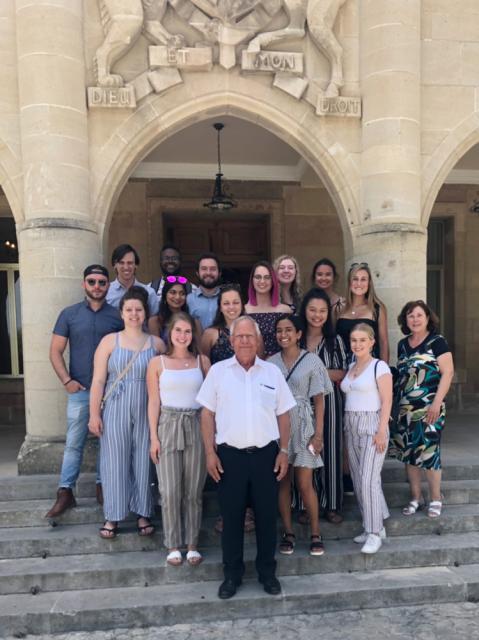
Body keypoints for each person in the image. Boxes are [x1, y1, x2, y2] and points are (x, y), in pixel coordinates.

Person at [197, 316, 296, 599]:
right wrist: (209, 453)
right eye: (239, 337)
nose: (244, 341)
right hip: (229, 457)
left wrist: (285, 451)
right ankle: (232, 576)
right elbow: (207, 414)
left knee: (267, 518)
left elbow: (284, 414)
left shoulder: (272, 373)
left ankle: (268, 573)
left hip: (266, 456)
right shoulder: (218, 372)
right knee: (231, 519)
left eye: (249, 337)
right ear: (231, 340)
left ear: (258, 340)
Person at [45, 265, 123, 519]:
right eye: (92, 281)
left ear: (108, 286)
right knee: (73, 444)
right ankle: (65, 491)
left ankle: (103, 486)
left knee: (107, 443)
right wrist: (66, 380)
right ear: (84, 284)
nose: (97, 286)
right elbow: (55, 351)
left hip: (110, 392)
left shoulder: (117, 316)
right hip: (80, 390)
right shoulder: (69, 314)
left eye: (102, 282)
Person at [88, 287, 165, 539]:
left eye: (138, 309)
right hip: (116, 404)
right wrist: (94, 414)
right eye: (129, 309)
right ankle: (113, 514)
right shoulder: (110, 341)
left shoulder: (157, 343)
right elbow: (98, 380)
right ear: (121, 312)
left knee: (144, 459)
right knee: (114, 460)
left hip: (146, 405)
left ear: (145, 313)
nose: (134, 314)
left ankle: (143, 512)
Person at [147, 312, 210, 565]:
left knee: (193, 489)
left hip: (195, 423)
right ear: (170, 333)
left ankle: (192, 543)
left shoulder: (202, 362)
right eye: (178, 331)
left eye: (187, 331)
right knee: (170, 489)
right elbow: (153, 402)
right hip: (168, 424)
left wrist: (211, 436)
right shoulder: (157, 363)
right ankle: (173, 544)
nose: (182, 335)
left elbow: (209, 402)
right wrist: (154, 437)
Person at [269, 315, 332, 556]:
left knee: (305, 483)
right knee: (283, 482)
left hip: (305, 427)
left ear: (298, 334)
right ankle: (288, 532)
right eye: (279, 330)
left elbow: (319, 400)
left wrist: (318, 435)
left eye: (288, 330)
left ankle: (316, 532)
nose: (283, 334)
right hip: (278, 429)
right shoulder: (270, 363)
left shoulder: (311, 360)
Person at [201, 284, 258, 534]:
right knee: (225, 460)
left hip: (247, 401)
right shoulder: (211, 333)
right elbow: (203, 364)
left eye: (236, 302)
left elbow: (260, 361)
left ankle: (248, 511)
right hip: (221, 401)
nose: (231, 307)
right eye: (226, 303)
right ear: (220, 306)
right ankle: (227, 513)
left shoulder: (250, 331)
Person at [394, 301, 454, 519]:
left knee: (429, 453)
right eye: (410, 315)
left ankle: (436, 498)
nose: (415, 319)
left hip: (430, 408)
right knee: (409, 454)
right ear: (405, 320)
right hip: (406, 409)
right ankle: (415, 497)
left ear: (428, 318)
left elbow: (447, 373)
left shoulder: (437, 342)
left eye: (419, 315)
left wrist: (437, 402)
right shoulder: (402, 344)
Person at [340, 323, 392, 554]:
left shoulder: (379, 367)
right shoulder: (351, 366)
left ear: (372, 342)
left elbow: (387, 401)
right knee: (359, 479)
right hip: (351, 425)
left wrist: (382, 430)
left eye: (363, 340)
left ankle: (374, 532)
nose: (358, 344)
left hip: (373, 425)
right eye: (354, 340)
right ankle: (374, 524)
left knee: (368, 479)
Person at [299, 287, 348, 523]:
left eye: (322, 311)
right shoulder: (295, 337)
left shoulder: (334, 340)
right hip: (300, 405)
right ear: (304, 311)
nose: (317, 315)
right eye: (312, 310)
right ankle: (306, 505)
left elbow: (341, 373)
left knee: (329, 451)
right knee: (303, 453)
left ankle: (332, 504)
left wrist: (312, 373)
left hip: (330, 403)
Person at [336, 262, 389, 363]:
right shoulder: (339, 308)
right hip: (342, 368)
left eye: (363, 279)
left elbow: (383, 343)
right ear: (349, 282)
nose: (359, 283)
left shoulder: (377, 308)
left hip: (369, 367)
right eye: (355, 279)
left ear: (369, 283)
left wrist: (383, 370)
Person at [245, 261, 291, 357]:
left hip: (279, 366)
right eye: (258, 277)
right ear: (252, 281)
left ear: (273, 281)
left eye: (267, 277)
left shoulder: (285, 311)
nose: (262, 281)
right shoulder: (243, 311)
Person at [106, 244, 158, 317]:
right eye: (121, 263)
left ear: (136, 265)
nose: (126, 267)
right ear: (115, 265)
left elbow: (154, 322)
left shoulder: (149, 293)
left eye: (130, 263)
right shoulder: (106, 291)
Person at [148, 277, 194, 342]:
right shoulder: (155, 321)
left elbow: (197, 348)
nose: (177, 297)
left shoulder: (193, 321)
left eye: (182, 293)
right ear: (165, 295)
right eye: (173, 292)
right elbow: (156, 348)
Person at [187, 252, 222, 330]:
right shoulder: (188, 300)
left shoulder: (226, 298)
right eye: (204, 269)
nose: (208, 273)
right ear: (197, 273)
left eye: (213, 269)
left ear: (219, 273)